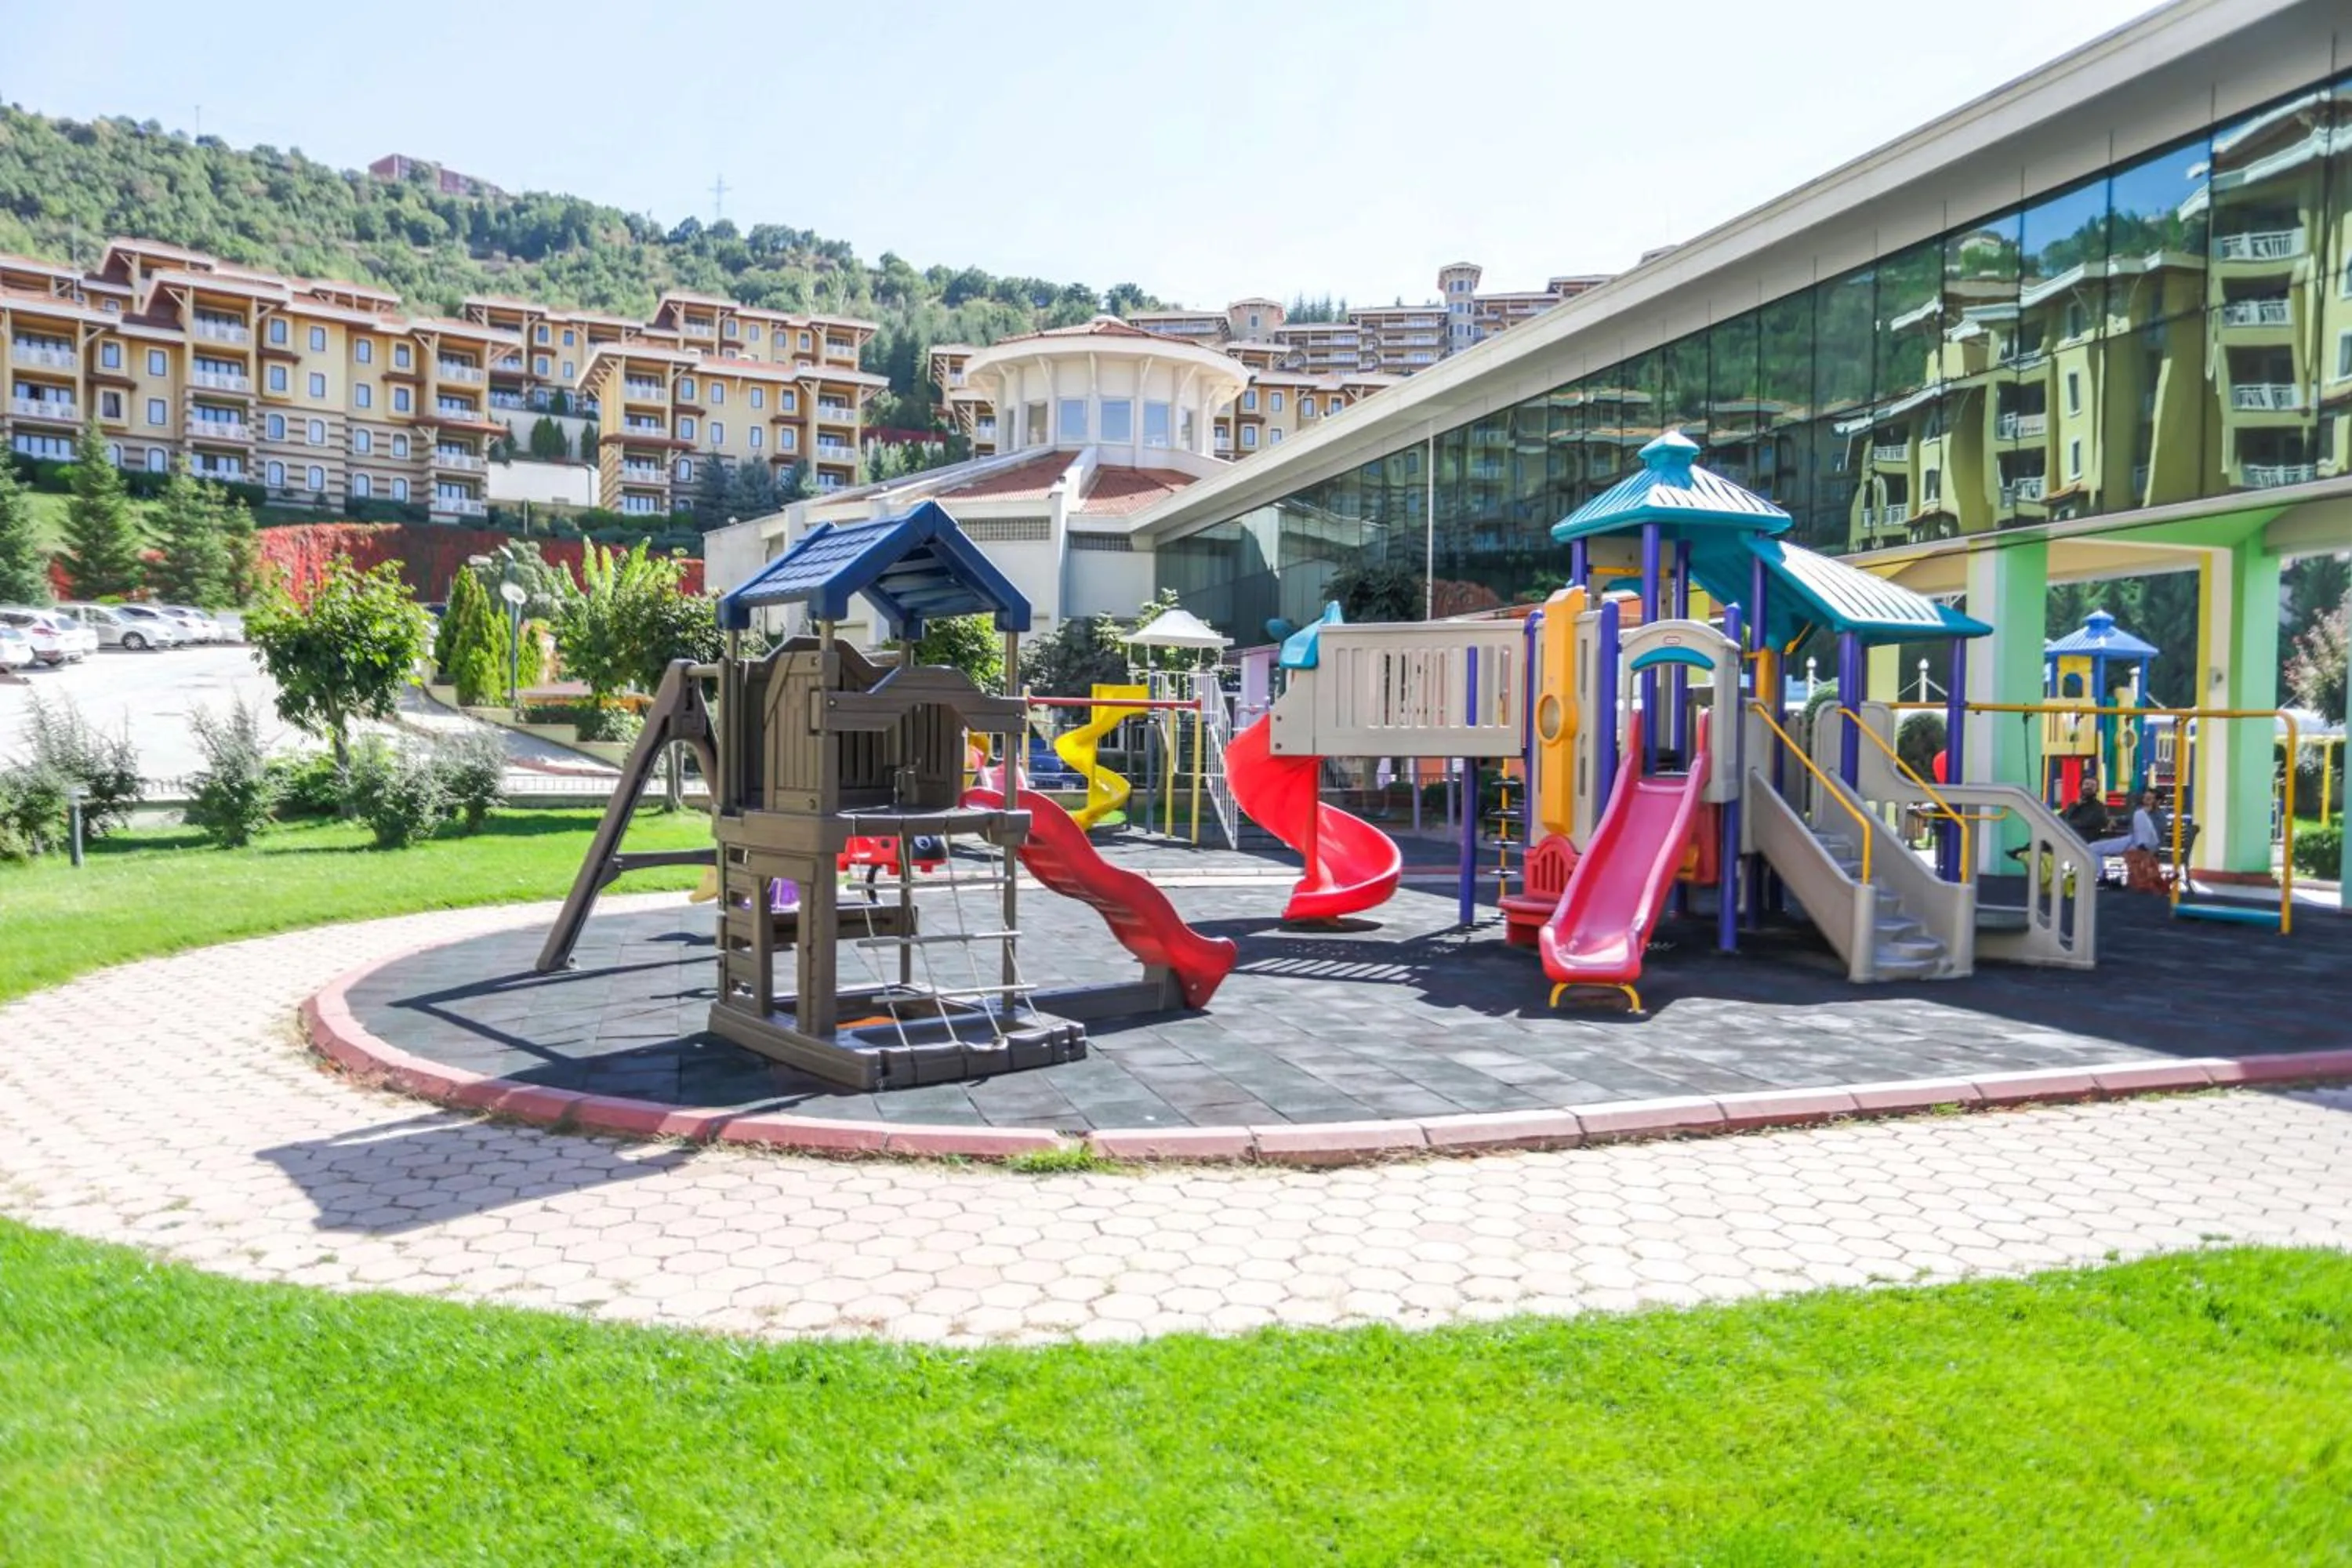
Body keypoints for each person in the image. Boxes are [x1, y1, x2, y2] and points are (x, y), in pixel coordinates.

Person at [2086, 789, 2162, 862]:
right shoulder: (2138, 811)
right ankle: (2099, 874)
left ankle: (2141, 848)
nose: (2145, 803)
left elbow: (2155, 839)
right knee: (2093, 848)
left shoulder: (2159, 817)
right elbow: (2127, 818)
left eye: (2149, 799)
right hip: (2131, 840)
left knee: (2139, 814)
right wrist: (2114, 820)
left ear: (2158, 802)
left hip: (2145, 846)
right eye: (2144, 799)